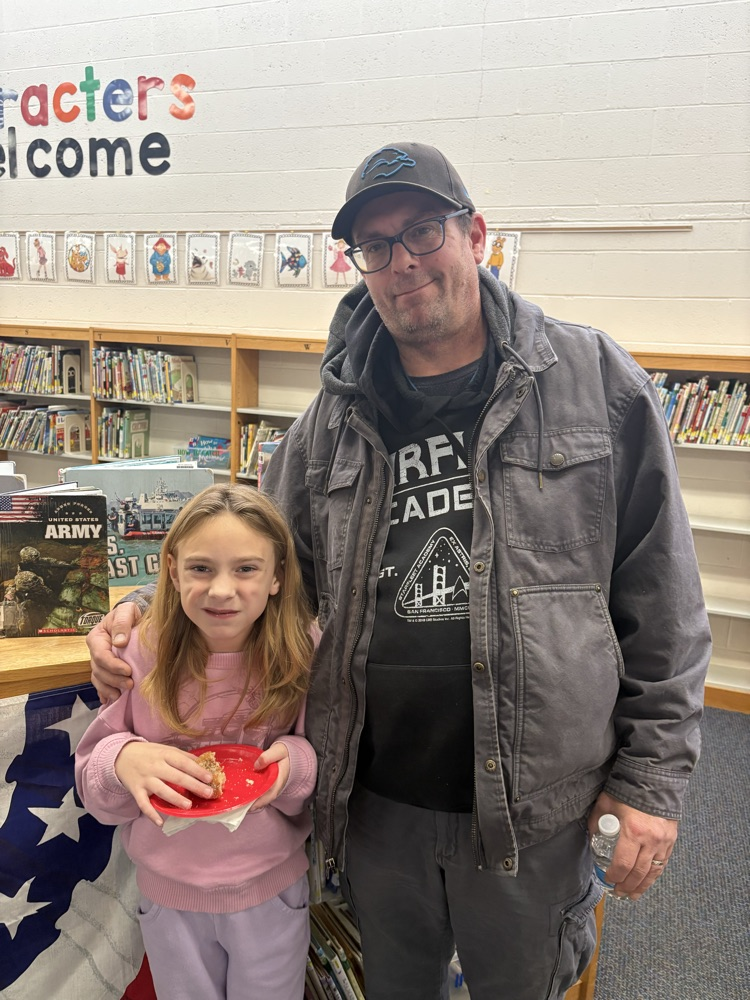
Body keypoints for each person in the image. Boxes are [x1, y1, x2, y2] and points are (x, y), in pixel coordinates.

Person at [87, 142, 712, 1000]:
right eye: (376, 246)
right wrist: (143, 608)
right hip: (377, 804)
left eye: (423, 232)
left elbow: (664, 600)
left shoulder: (593, 383)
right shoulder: (329, 422)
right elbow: (254, 556)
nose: (403, 263)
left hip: (534, 810)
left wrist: (651, 780)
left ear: (476, 235)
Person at [77, 484, 317, 1000]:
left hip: (271, 891)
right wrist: (122, 759)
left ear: (278, 575)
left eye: (247, 569)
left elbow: (324, 768)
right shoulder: (137, 654)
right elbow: (95, 791)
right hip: (169, 899)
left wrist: (296, 765)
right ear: (172, 570)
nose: (222, 591)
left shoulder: (303, 653)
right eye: (201, 568)